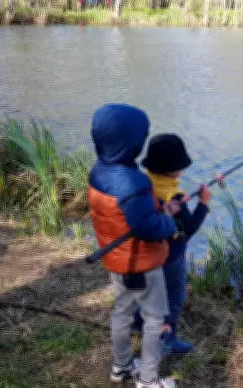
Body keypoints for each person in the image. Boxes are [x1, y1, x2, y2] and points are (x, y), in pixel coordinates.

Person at [88, 104, 180, 388]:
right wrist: (169, 224)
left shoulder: (98, 172)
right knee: (155, 319)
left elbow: (125, 215)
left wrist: (157, 209)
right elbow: (146, 227)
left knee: (122, 313)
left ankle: (121, 367)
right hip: (142, 264)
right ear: (132, 142)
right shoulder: (134, 181)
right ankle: (150, 380)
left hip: (116, 259)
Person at [132, 133, 212, 354]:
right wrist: (203, 204)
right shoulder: (174, 197)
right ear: (175, 169)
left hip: (147, 253)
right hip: (171, 256)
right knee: (174, 297)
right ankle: (167, 338)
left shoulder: (143, 185)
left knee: (149, 291)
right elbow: (189, 228)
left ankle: (138, 321)